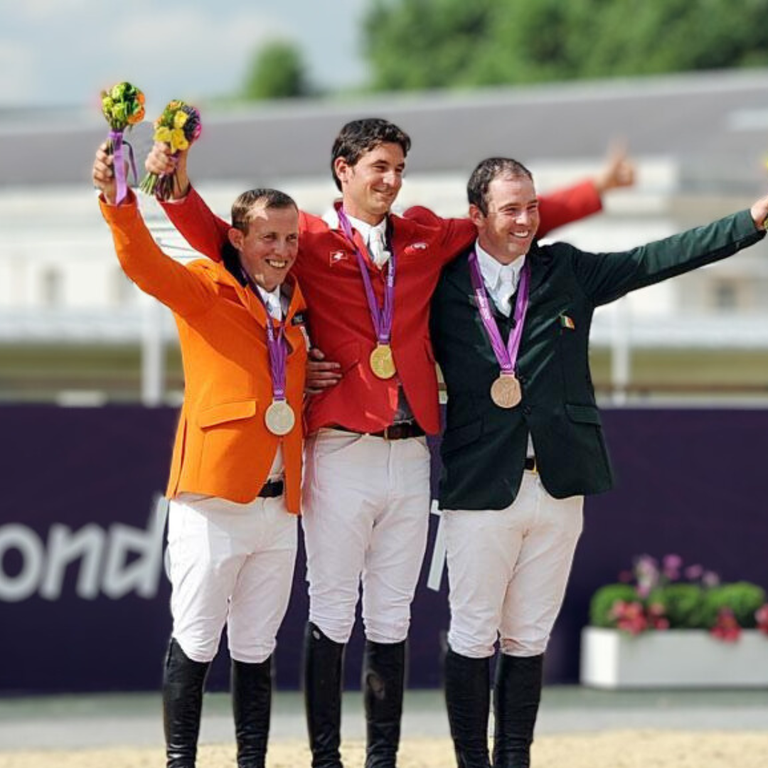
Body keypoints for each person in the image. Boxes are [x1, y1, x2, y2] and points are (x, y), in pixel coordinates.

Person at [144, 119, 633, 768]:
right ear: (343, 171)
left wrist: (595, 189)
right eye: (379, 167)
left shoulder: (427, 234)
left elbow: (505, 223)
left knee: (393, 617)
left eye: (399, 168)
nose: (392, 180)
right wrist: (173, 183)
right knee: (334, 609)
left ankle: (382, 758)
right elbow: (220, 238)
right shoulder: (305, 239)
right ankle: (326, 759)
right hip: (340, 447)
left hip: (409, 450)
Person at [426, 156, 768, 768]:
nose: (527, 220)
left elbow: (655, 259)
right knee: (474, 632)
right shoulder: (443, 281)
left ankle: (514, 759)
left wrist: (753, 219)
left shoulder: (566, 271)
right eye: (510, 209)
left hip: (559, 483)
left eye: (532, 206)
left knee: (528, 636)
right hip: (480, 483)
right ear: (475, 215)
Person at [92, 142, 309, 768]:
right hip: (212, 501)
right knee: (194, 640)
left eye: (290, 238)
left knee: (258, 647)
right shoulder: (206, 290)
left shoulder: (295, 309)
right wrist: (117, 200)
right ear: (237, 240)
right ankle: (179, 761)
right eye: (269, 237)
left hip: (280, 505)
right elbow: (144, 264)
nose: (282, 250)